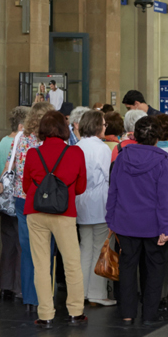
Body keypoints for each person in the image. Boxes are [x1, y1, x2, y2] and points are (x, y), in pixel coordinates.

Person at [105, 115, 168, 326]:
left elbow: (113, 190)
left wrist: (110, 218)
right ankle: (149, 314)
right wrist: (166, 227)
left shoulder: (122, 157)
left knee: (127, 267)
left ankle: (127, 314)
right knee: (155, 269)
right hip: (153, 224)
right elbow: (165, 198)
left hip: (125, 221)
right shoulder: (163, 160)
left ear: (135, 135)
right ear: (158, 137)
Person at [21, 110, 88, 328]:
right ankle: (75, 312)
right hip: (64, 212)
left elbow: (26, 186)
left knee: (41, 265)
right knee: (72, 263)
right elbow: (81, 187)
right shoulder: (75, 152)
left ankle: (46, 315)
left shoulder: (33, 153)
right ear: (64, 128)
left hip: (36, 211)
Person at [2, 101, 53, 313]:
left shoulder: (20, 138)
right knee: (45, 247)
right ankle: (44, 295)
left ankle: (29, 296)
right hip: (46, 198)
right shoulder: (50, 141)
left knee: (27, 247)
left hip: (22, 197)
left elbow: (9, 165)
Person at [74, 108, 116, 307]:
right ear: (98, 126)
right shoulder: (102, 148)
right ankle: (97, 294)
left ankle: (81, 292)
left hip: (80, 200)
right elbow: (108, 177)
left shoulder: (77, 147)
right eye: (104, 124)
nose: (105, 127)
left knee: (85, 248)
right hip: (100, 201)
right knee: (100, 249)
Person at [0, 105, 29, 301]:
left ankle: (5, 284)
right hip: (17, 196)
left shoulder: (2, 141)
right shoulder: (21, 142)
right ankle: (19, 286)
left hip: (4, 198)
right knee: (20, 244)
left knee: (7, 243)